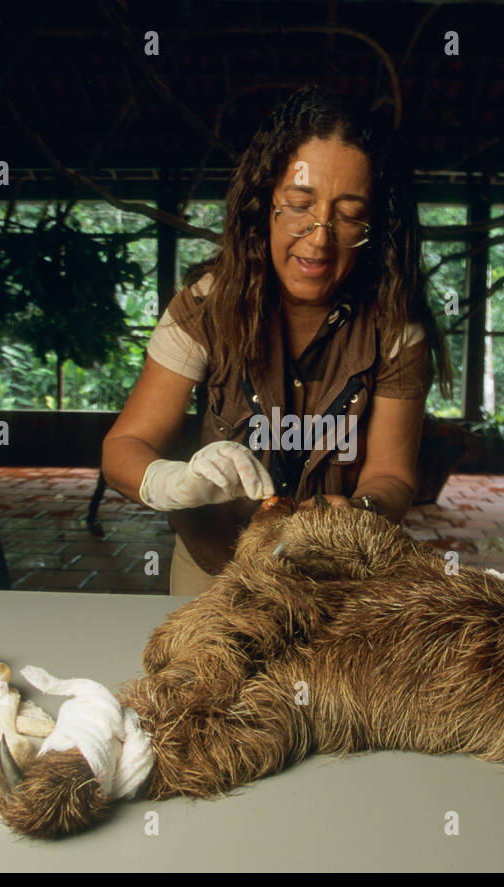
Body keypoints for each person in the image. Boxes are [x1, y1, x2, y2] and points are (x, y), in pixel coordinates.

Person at [102, 85, 451, 595]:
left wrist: (361, 510)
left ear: (376, 225)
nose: (318, 239)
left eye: (350, 214)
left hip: (336, 581)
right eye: (298, 205)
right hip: (214, 572)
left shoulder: (396, 330)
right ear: (264, 203)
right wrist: (172, 482)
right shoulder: (205, 305)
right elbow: (123, 448)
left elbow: (393, 476)